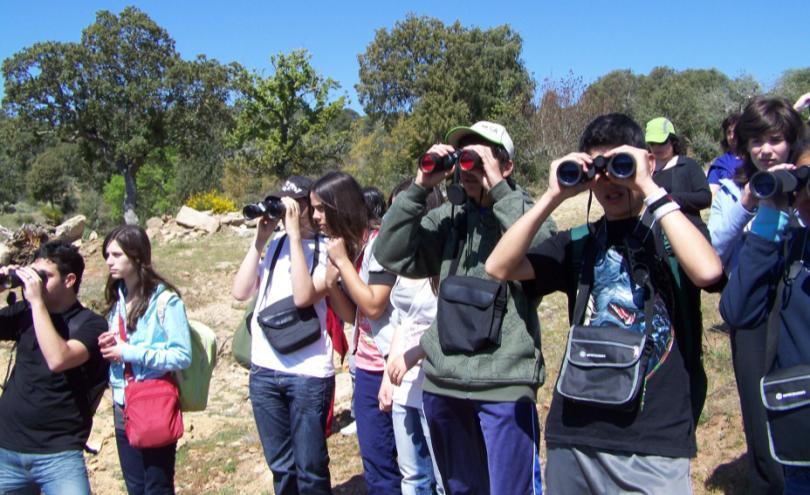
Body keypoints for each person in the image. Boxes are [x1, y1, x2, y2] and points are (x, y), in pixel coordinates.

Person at [486, 113, 722, 493]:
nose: (609, 180)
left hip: (654, 440)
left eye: (620, 165)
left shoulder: (674, 230)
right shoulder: (577, 242)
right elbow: (499, 266)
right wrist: (552, 196)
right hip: (575, 434)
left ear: (644, 161)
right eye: (599, 169)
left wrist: (648, 183)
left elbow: (708, 272)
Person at [374, 121, 555, 494]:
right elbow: (389, 252)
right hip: (445, 383)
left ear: (507, 166)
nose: (469, 167)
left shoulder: (526, 210)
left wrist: (500, 191)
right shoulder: (450, 219)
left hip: (504, 383)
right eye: (465, 157)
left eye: (481, 157)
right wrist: (421, 186)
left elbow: (544, 253)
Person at [708, 96, 807, 494]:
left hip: (796, 302)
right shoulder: (732, 191)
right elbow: (713, 254)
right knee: (757, 404)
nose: (765, 150)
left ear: (791, 142)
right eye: (756, 142)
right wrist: (751, 200)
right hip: (750, 309)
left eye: (775, 139)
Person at [231, 175, 335, 495]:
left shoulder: (326, 248)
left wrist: (293, 236)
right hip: (265, 369)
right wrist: (259, 241)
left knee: (311, 468)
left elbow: (304, 296)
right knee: (281, 467)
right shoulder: (274, 244)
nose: (287, 211)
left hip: (308, 372)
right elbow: (240, 291)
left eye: (294, 205)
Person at [314, 171, 402, 495]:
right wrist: (331, 285)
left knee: (397, 464)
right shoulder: (352, 248)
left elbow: (375, 305)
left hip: (390, 366)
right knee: (376, 461)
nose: (315, 217)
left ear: (340, 207)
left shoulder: (379, 244)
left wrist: (343, 264)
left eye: (321, 209)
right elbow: (356, 316)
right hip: (364, 366)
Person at [0, 240, 109, 495]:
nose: (36, 283)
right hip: (7, 448)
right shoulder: (24, 314)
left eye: (44, 276)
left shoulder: (92, 325)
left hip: (59, 455)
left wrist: (37, 303)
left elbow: (58, 359)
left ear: (69, 280)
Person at [98, 225, 192, 495]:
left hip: (153, 401)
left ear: (136, 256)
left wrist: (127, 352)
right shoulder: (117, 298)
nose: (109, 261)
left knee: (157, 486)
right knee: (135, 487)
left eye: (116, 255)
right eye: (107, 255)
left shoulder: (165, 301)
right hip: (121, 403)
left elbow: (181, 355)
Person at [385, 178, 445, 495]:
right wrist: (388, 373)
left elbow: (449, 321)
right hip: (403, 386)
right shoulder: (403, 261)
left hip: (435, 382)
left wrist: (414, 355)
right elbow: (401, 319)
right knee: (412, 478)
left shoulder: (443, 259)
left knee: (442, 478)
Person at [645, 116, 712, 233]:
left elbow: (705, 197)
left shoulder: (687, 165)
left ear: (673, 141)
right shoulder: (645, 171)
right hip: (654, 242)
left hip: (690, 236)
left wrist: (673, 198)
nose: (656, 147)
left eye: (661, 142)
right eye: (652, 143)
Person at [707, 112, 744, 194]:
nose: (732, 136)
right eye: (729, 132)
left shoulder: (754, 160)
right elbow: (712, 194)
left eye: (735, 132)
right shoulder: (719, 164)